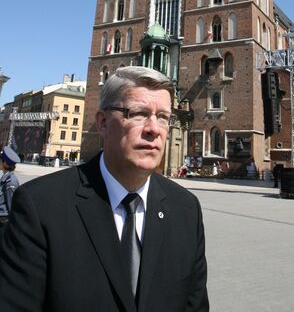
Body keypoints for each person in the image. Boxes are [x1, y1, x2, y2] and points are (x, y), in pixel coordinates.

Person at [0, 66, 209, 312]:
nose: (154, 129)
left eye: (163, 117)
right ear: (102, 122)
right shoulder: (41, 206)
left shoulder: (185, 209)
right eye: (138, 113)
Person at [0, 146, 20, 237]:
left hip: (4, 222)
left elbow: (11, 206)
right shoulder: (5, 178)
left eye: (1, 160)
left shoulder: (10, 182)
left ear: (5, 163)